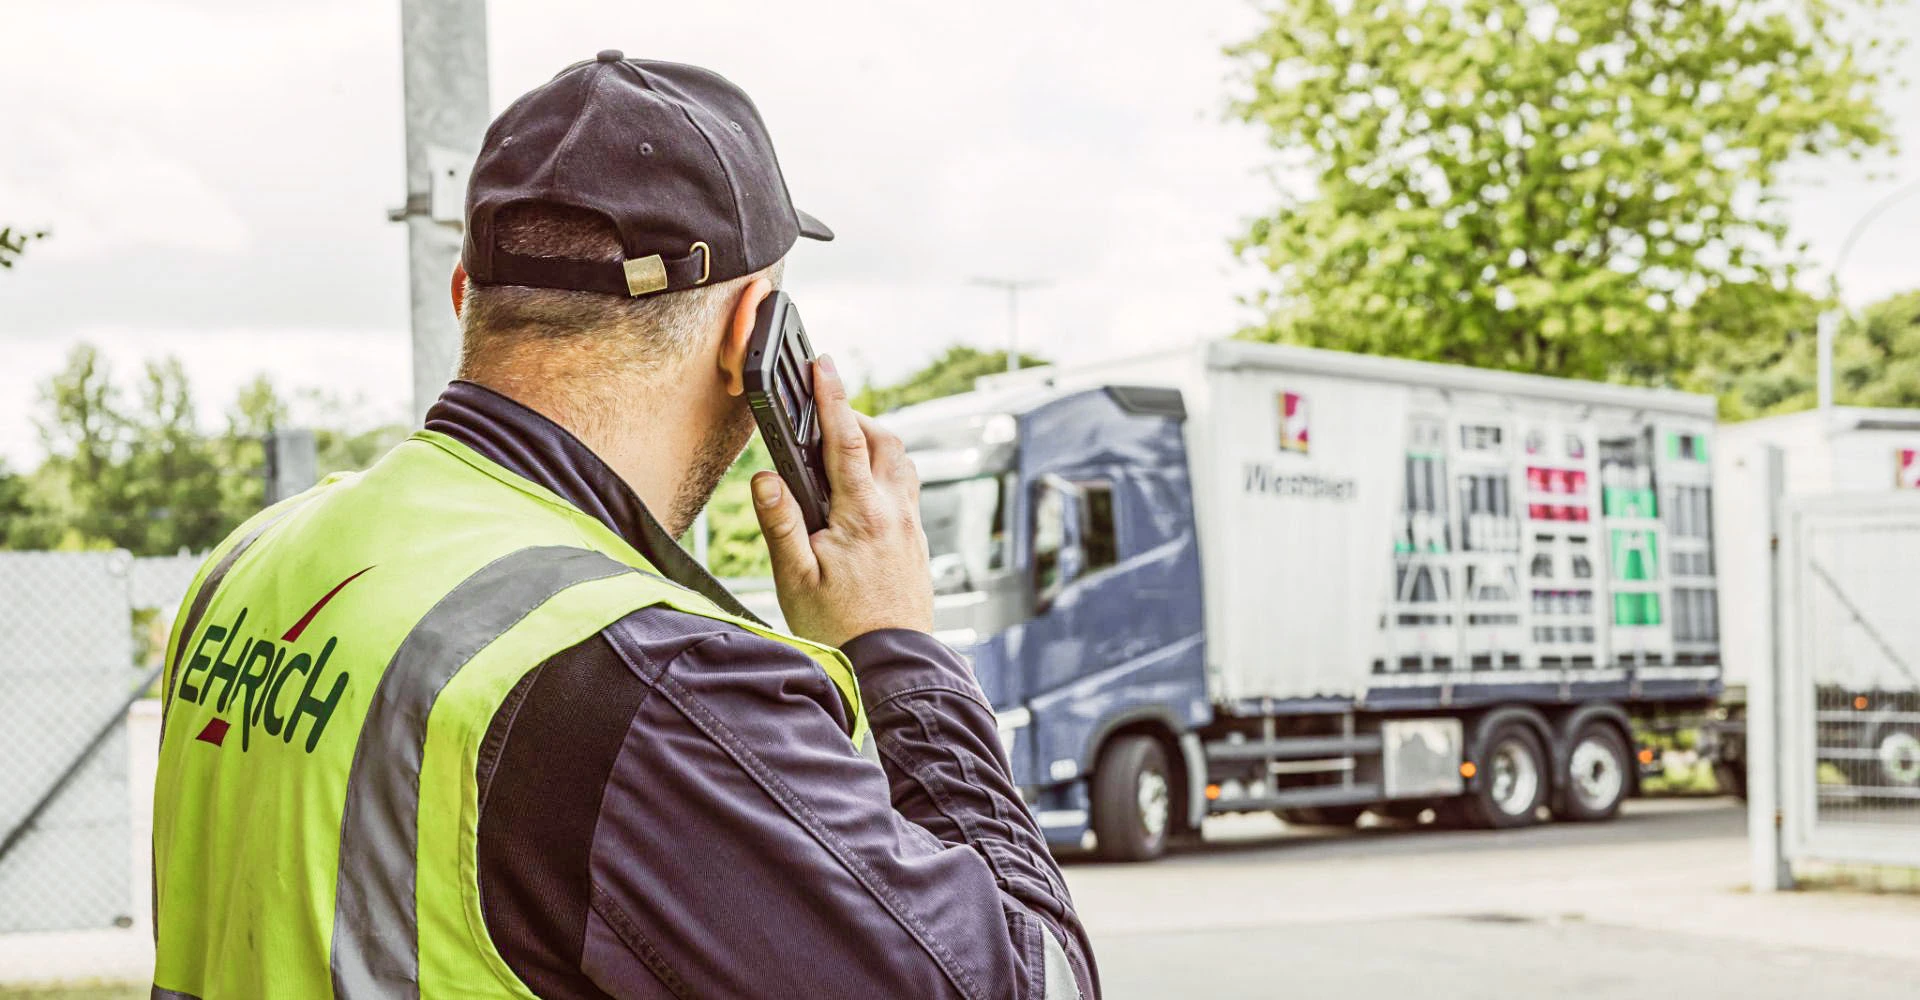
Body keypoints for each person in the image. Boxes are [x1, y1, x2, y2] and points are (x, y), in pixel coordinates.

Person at [149, 52, 1098, 1000]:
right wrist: (897, 652)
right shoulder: (656, 681)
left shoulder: (247, 565)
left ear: (463, 296)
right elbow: (1028, 983)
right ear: (751, 338)